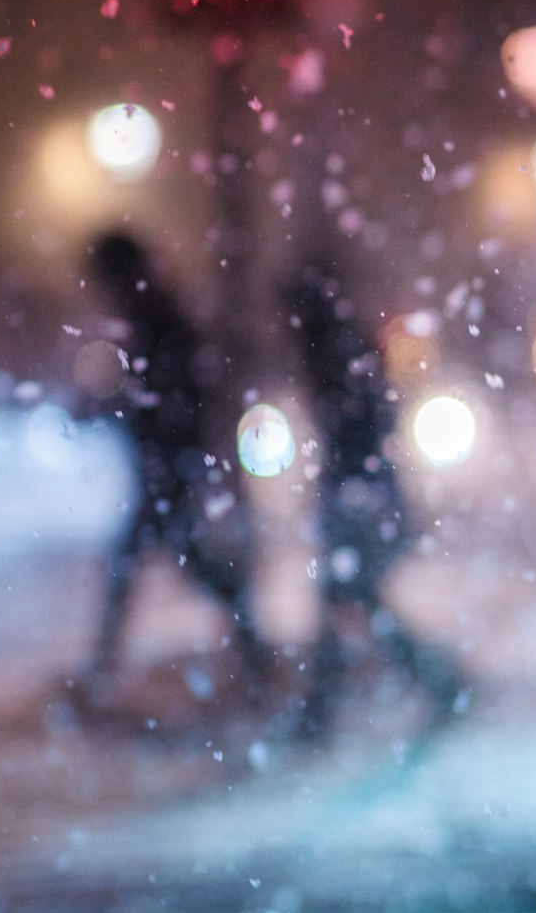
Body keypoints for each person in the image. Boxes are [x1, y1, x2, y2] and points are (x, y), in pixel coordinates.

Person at [78, 231, 267, 699]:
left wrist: (122, 412)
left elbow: (169, 394)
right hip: (168, 464)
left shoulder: (154, 316)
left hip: (168, 465)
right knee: (183, 565)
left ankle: (102, 672)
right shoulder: (154, 312)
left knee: (154, 565)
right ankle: (255, 657)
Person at [287, 267, 470, 741]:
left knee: (345, 600)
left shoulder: (335, 358)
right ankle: (431, 685)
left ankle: (326, 710)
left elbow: (361, 431)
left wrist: (349, 487)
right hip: (364, 497)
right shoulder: (345, 352)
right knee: (349, 600)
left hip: (360, 500)